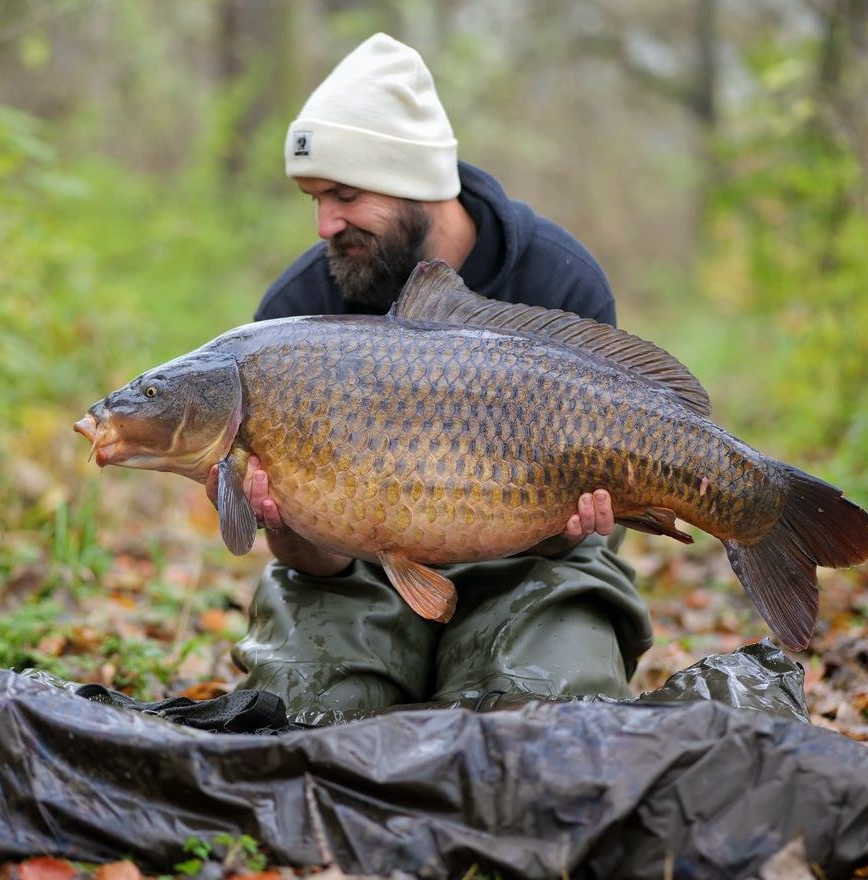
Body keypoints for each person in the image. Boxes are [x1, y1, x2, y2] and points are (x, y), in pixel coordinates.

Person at [208, 33, 653, 724]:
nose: (327, 223)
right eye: (314, 198)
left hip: (534, 563)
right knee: (304, 724)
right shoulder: (291, 317)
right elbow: (312, 566)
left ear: (417, 183)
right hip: (357, 575)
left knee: (549, 718)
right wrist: (285, 522)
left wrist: (577, 527)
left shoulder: (560, 278)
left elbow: (578, 534)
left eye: (346, 193)